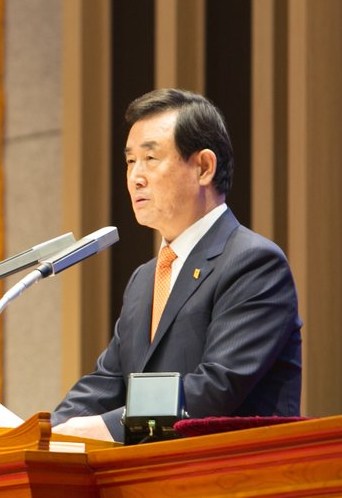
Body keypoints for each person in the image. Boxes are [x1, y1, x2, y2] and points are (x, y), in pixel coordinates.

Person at [52, 88, 302, 442]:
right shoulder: (145, 278)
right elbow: (106, 382)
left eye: (150, 158)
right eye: (130, 161)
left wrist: (108, 427)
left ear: (203, 168)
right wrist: (41, 434)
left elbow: (216, 385)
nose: (135, 177)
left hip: (232, 467)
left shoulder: (253, 263)